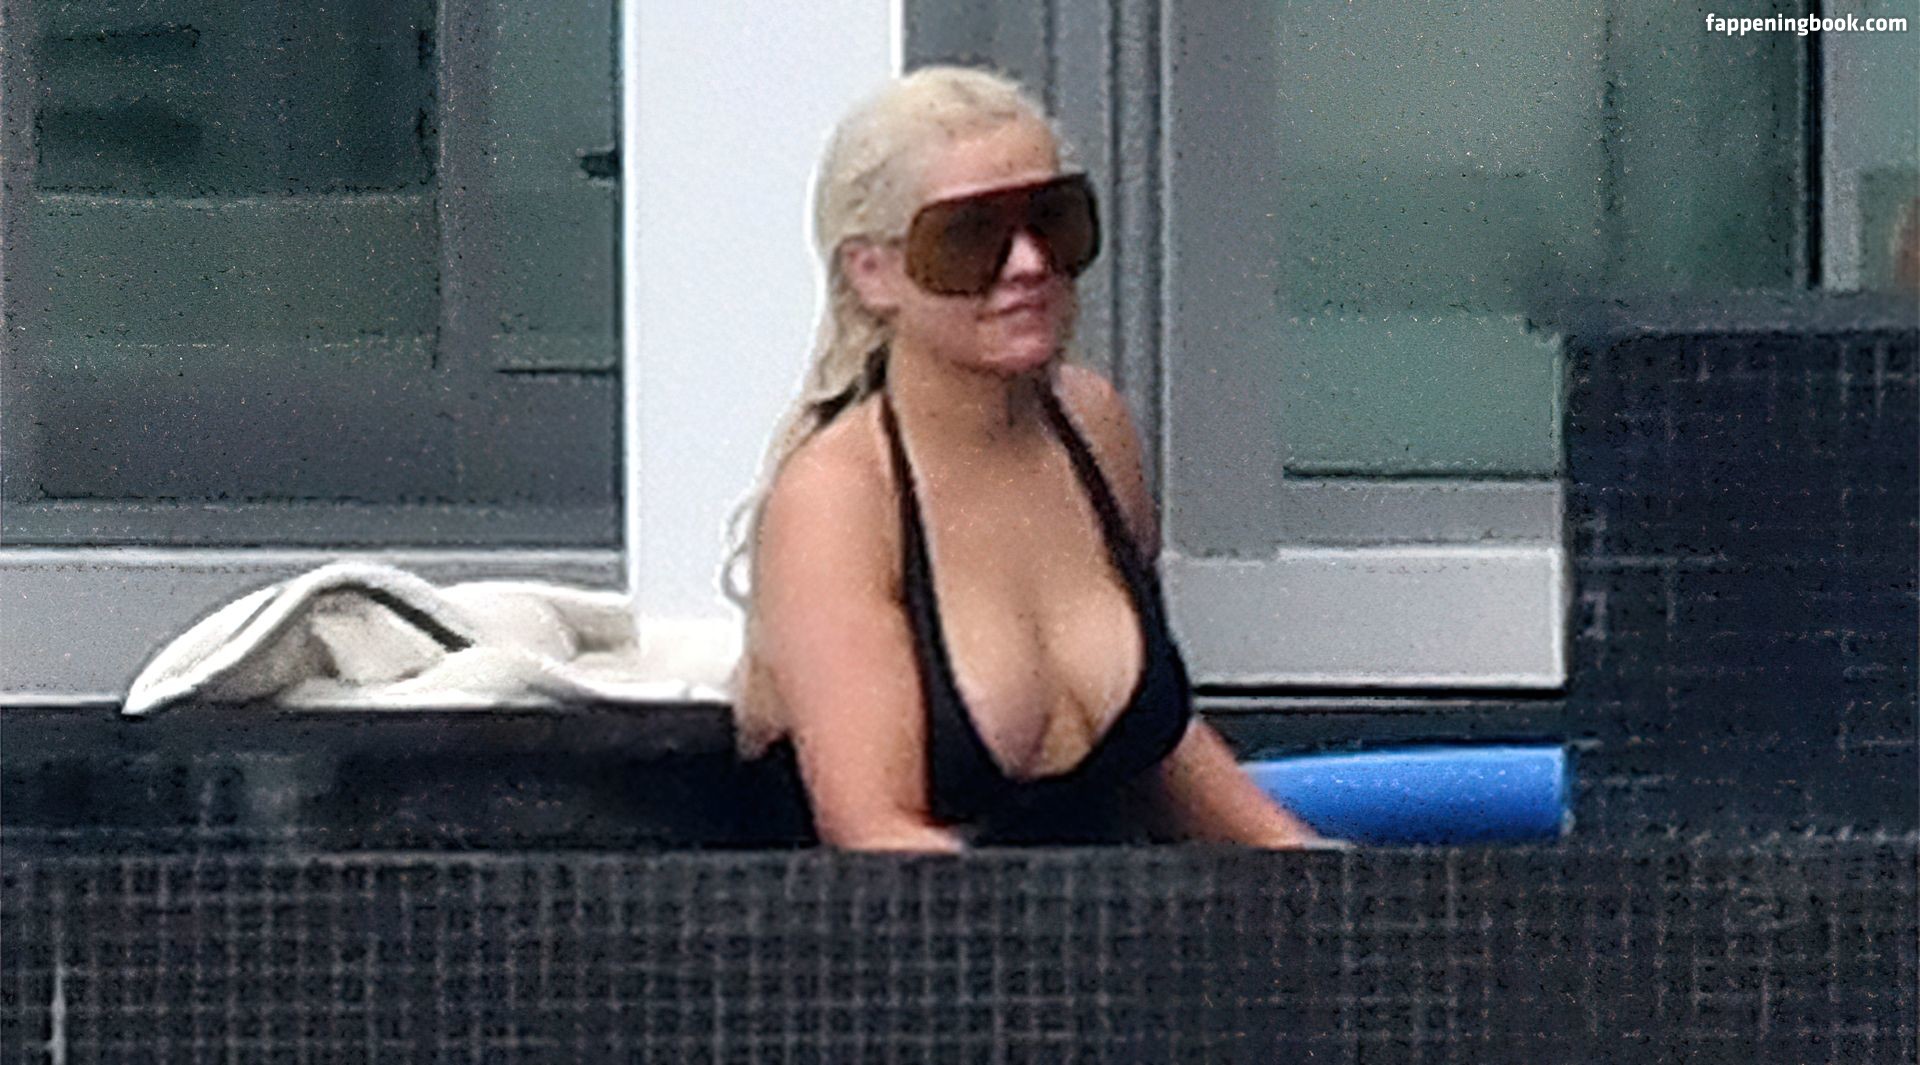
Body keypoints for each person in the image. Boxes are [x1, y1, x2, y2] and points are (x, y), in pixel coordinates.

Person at [723, 66, 1325, 852]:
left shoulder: (1093, 427)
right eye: (968, 238)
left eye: (1055, 221)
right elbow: (874, 831)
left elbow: (1156, 746)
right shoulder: (840, 500)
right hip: (921, 922)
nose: (1027, 264)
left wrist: (1325, 877)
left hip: (1113, 912)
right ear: (873, 272)